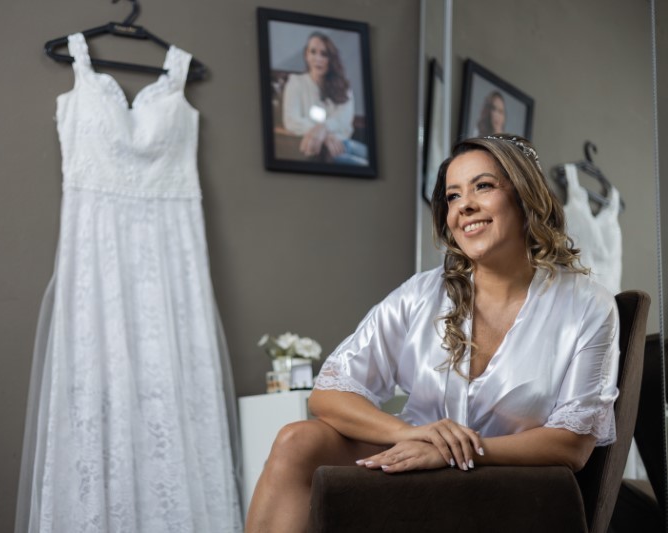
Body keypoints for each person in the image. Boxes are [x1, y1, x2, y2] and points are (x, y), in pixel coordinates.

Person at [245, 135, 620, 533]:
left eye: (483, 186)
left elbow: (573, 443)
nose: (464, 206)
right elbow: (328, 395)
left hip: (508, 482)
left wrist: (455, 451)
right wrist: (414, 435)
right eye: (453, 196)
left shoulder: (587, 305)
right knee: (296, 441)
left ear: (526, 197)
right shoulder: (421, 294)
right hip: (414, 461)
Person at [281, 31, 368, 165]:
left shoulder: (344, 86)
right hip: (320, 150)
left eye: (324, 54)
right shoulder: (296, 82)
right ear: (306, 55)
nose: (318, 59)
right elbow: (291, 120)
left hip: (344, 143)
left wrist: (323, 129)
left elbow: (343, 120)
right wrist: (322, 135)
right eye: (313, 52)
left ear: (331, 59)